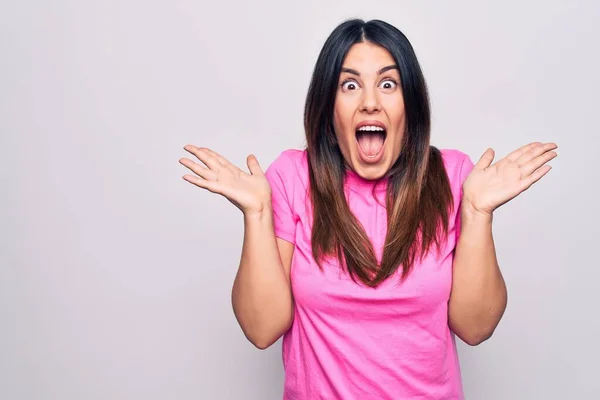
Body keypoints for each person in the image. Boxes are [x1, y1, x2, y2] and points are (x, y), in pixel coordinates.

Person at [179, 18, 557, 400]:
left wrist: (477, 211)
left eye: (388, 84)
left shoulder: (454, 176)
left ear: (410, 104)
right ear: (329, 108)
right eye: (350, 85)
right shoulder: (292, 177)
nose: (370, 101)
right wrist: (257, 213)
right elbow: (262, 329)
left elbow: (476, 327)